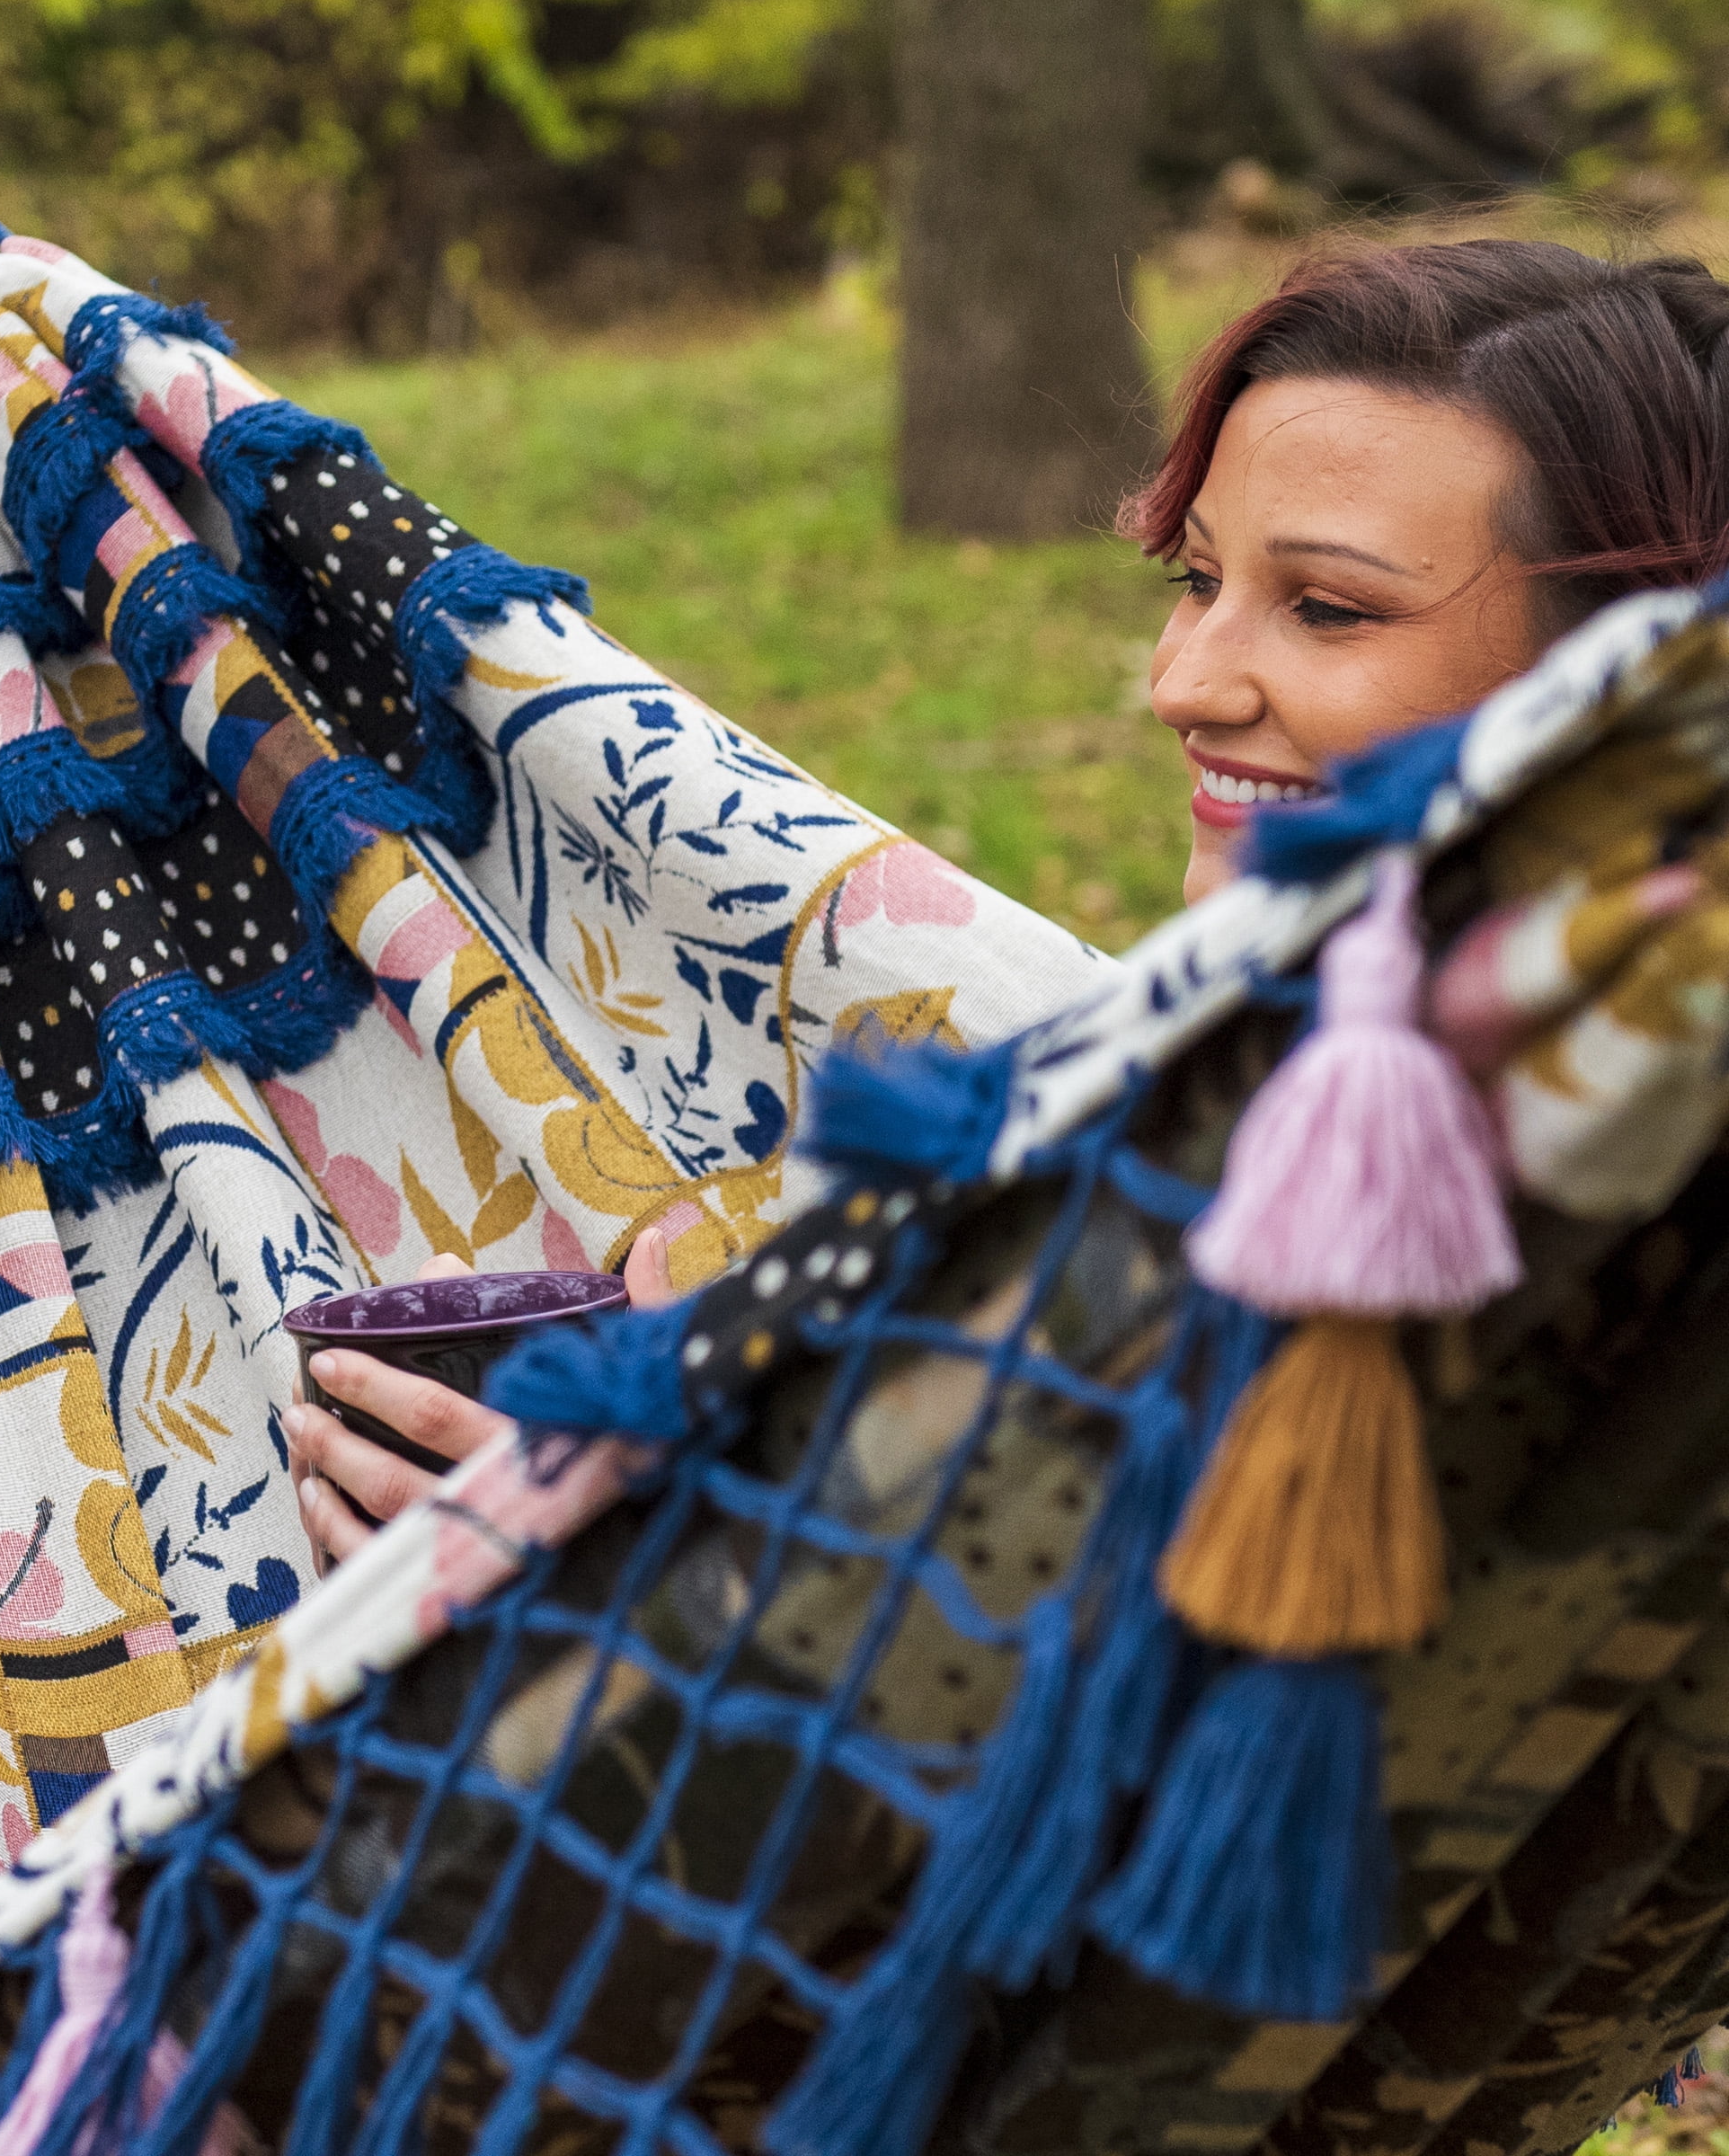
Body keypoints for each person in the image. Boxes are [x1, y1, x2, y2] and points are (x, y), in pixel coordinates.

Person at [289, 235, 1729, 1562]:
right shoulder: (1323, 1100)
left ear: (1623, 690)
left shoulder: (1459, 1215)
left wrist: (638, 1568)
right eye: (1196, 578)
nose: (1183, 684)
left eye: (1330, 609)